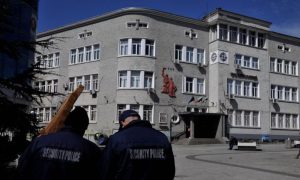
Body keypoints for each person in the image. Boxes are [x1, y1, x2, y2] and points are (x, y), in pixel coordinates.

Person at [17, 107, 102, 180]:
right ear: (84, 126)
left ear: (65, 123)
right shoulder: (91, 150)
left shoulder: (39, 142)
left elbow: (22, 169)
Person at [99, 110, 175, 180]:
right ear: (138, 119)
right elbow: (170, 170)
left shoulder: (116, 139)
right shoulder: (161, 137)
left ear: (122, 122)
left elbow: (106, 170)